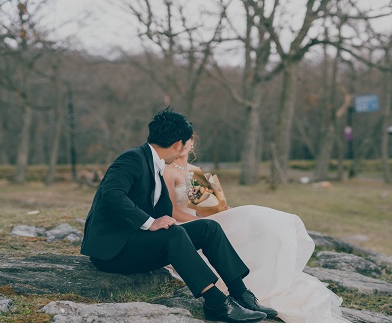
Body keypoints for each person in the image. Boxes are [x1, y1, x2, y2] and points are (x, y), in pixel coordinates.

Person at [81, 107, 276, 323]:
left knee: (208, 228)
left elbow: (190, 207)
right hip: (114, 252)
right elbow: (112, 196)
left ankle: (240, 294)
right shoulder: (132, 159)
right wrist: (150, 222)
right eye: (187, 142)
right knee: (174, 234)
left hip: (138, 242)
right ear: (177, 145)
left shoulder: (158, 164)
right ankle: (216, 303)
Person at [163, 136, 351, 323]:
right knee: (250, 216)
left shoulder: (195, 171)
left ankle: (264, 278)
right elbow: (173, 211)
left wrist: (220, 210)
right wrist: (206, 221)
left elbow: (204, 210)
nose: (180, 144)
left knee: (262, 222)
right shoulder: (168, 171)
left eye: (185, 139)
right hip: (184, 225)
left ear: (192, 143)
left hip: (206, 223)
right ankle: (241, 289)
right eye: (177, 140)